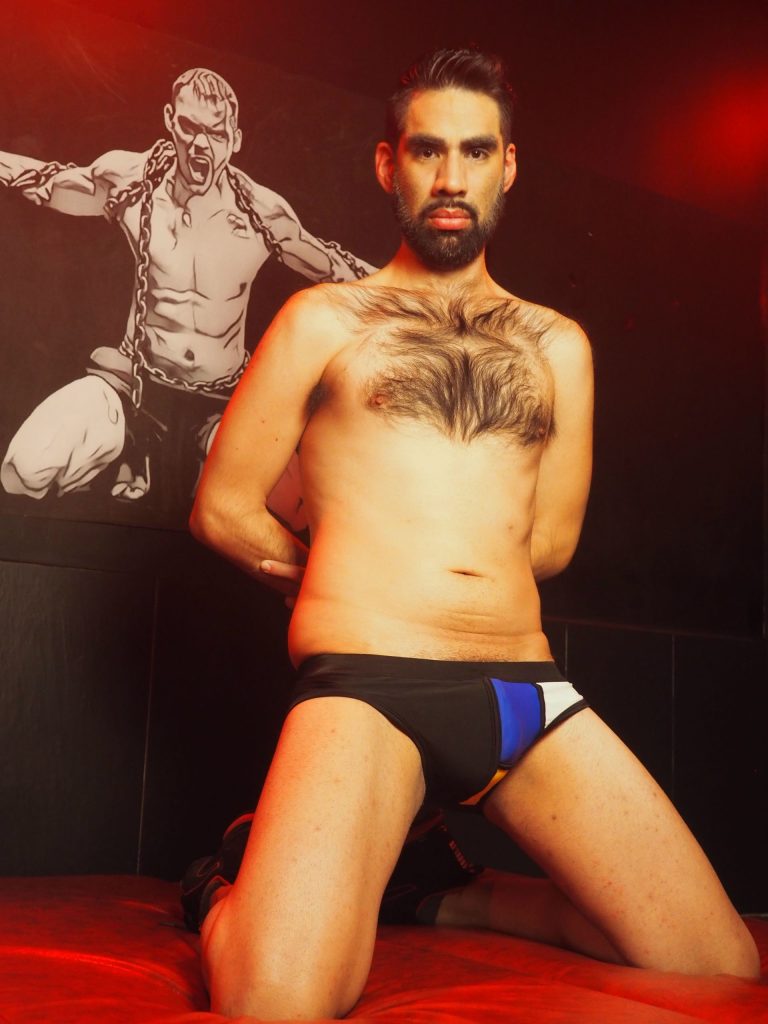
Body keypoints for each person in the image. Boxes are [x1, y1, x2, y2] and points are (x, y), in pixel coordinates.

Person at [189, 48, 759, 1020]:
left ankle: (443, 892)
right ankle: (226, 886)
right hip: (368, 681)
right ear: (389, 164)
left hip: (521, 693)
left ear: (508, 165)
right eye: (428, 151)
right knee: (273, 1001)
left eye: (476, 151)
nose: (452, 177)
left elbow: (551, 542)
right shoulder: (323, 319)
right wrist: (334, 572)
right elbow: (222, 506)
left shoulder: (559, 346)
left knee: (718, 961)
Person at [0, 67, 373, 523]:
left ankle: (200, 464)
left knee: (299, 510)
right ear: (169, 120)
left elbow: (335, 268)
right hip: (135, 388)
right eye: (189, 127)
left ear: (235, 139)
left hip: (221, 401)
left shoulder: (260, 214)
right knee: (23, 471)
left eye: (215, 133)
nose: (200, 145)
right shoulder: (130, 182)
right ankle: (129, 449)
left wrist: (431, 291)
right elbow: (50, 182)